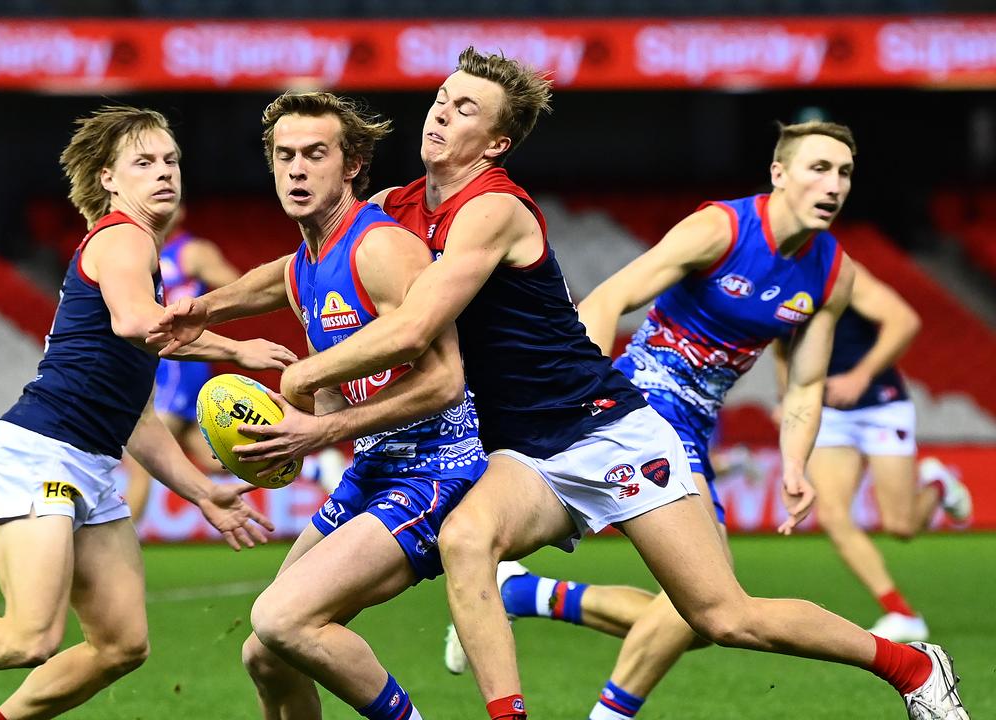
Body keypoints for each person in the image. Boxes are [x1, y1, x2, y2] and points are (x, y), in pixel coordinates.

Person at [151, 53, 968, 720]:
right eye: (441, 98)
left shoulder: (491, 211)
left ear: (497, 142)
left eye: (465, 108)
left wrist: (302, 377)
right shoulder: (405, 204)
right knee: (469, 541)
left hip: (606, 431)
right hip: (527, 448)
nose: (441, 113)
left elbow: (410, 328)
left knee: (721, 615)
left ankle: (908, 664)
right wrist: (205, 307)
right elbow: (295, 269)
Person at [445, 119, 970, 720]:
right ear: (779, 174)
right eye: (818, 168)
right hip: (639, 411)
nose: (834, 184)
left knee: (701, 618)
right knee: (715, 611)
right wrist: (574, 407)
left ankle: (523, 592)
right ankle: (913, 669)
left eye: (844, 172)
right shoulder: (721, 228)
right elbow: (607, 299)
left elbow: (803, 382)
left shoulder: (832, 273)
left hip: (693, 426)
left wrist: (795, 463)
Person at [0, 105, 291, 720]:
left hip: (91, 464)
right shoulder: (122, 237)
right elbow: (135, 324)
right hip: (43, 452)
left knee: (121, 645)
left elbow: (137, 417)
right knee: (30, 637)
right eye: (145, 163)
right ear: (108, 179)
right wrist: (234, 346)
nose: (165, 174)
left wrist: (203, 492)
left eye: (172, 161)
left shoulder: (141, 259)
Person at [241, 90, 486, 720]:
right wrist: (291, 435)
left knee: (281, 618)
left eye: (315, 155)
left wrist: (321, 430)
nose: (297, 169)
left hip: (438, 469)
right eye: (284, 155)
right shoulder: (305, 267)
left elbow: (444, 382)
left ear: (350, 165)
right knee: (265, 653)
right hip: (375, 470)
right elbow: (331, 390)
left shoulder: (379, 247)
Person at [782, 262, 971, 642]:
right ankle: (901, 613)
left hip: (879, 404)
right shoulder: (767, 282)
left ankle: (938, 484)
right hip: (826, 411)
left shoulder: (835, 269)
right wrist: (785, 397)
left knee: (901, 526)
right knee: (833, 516)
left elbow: (904, 320)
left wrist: (862, 374)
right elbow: (780, 350)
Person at [122, 211, 240, 522]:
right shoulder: (143, 254)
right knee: (212, 459)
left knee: (140, 462)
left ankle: (119, 544)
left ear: (182, 211)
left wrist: (198, 308)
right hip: (158, 366)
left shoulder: (192, 251)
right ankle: (314, 466)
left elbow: (237, 287)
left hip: (180, 368)